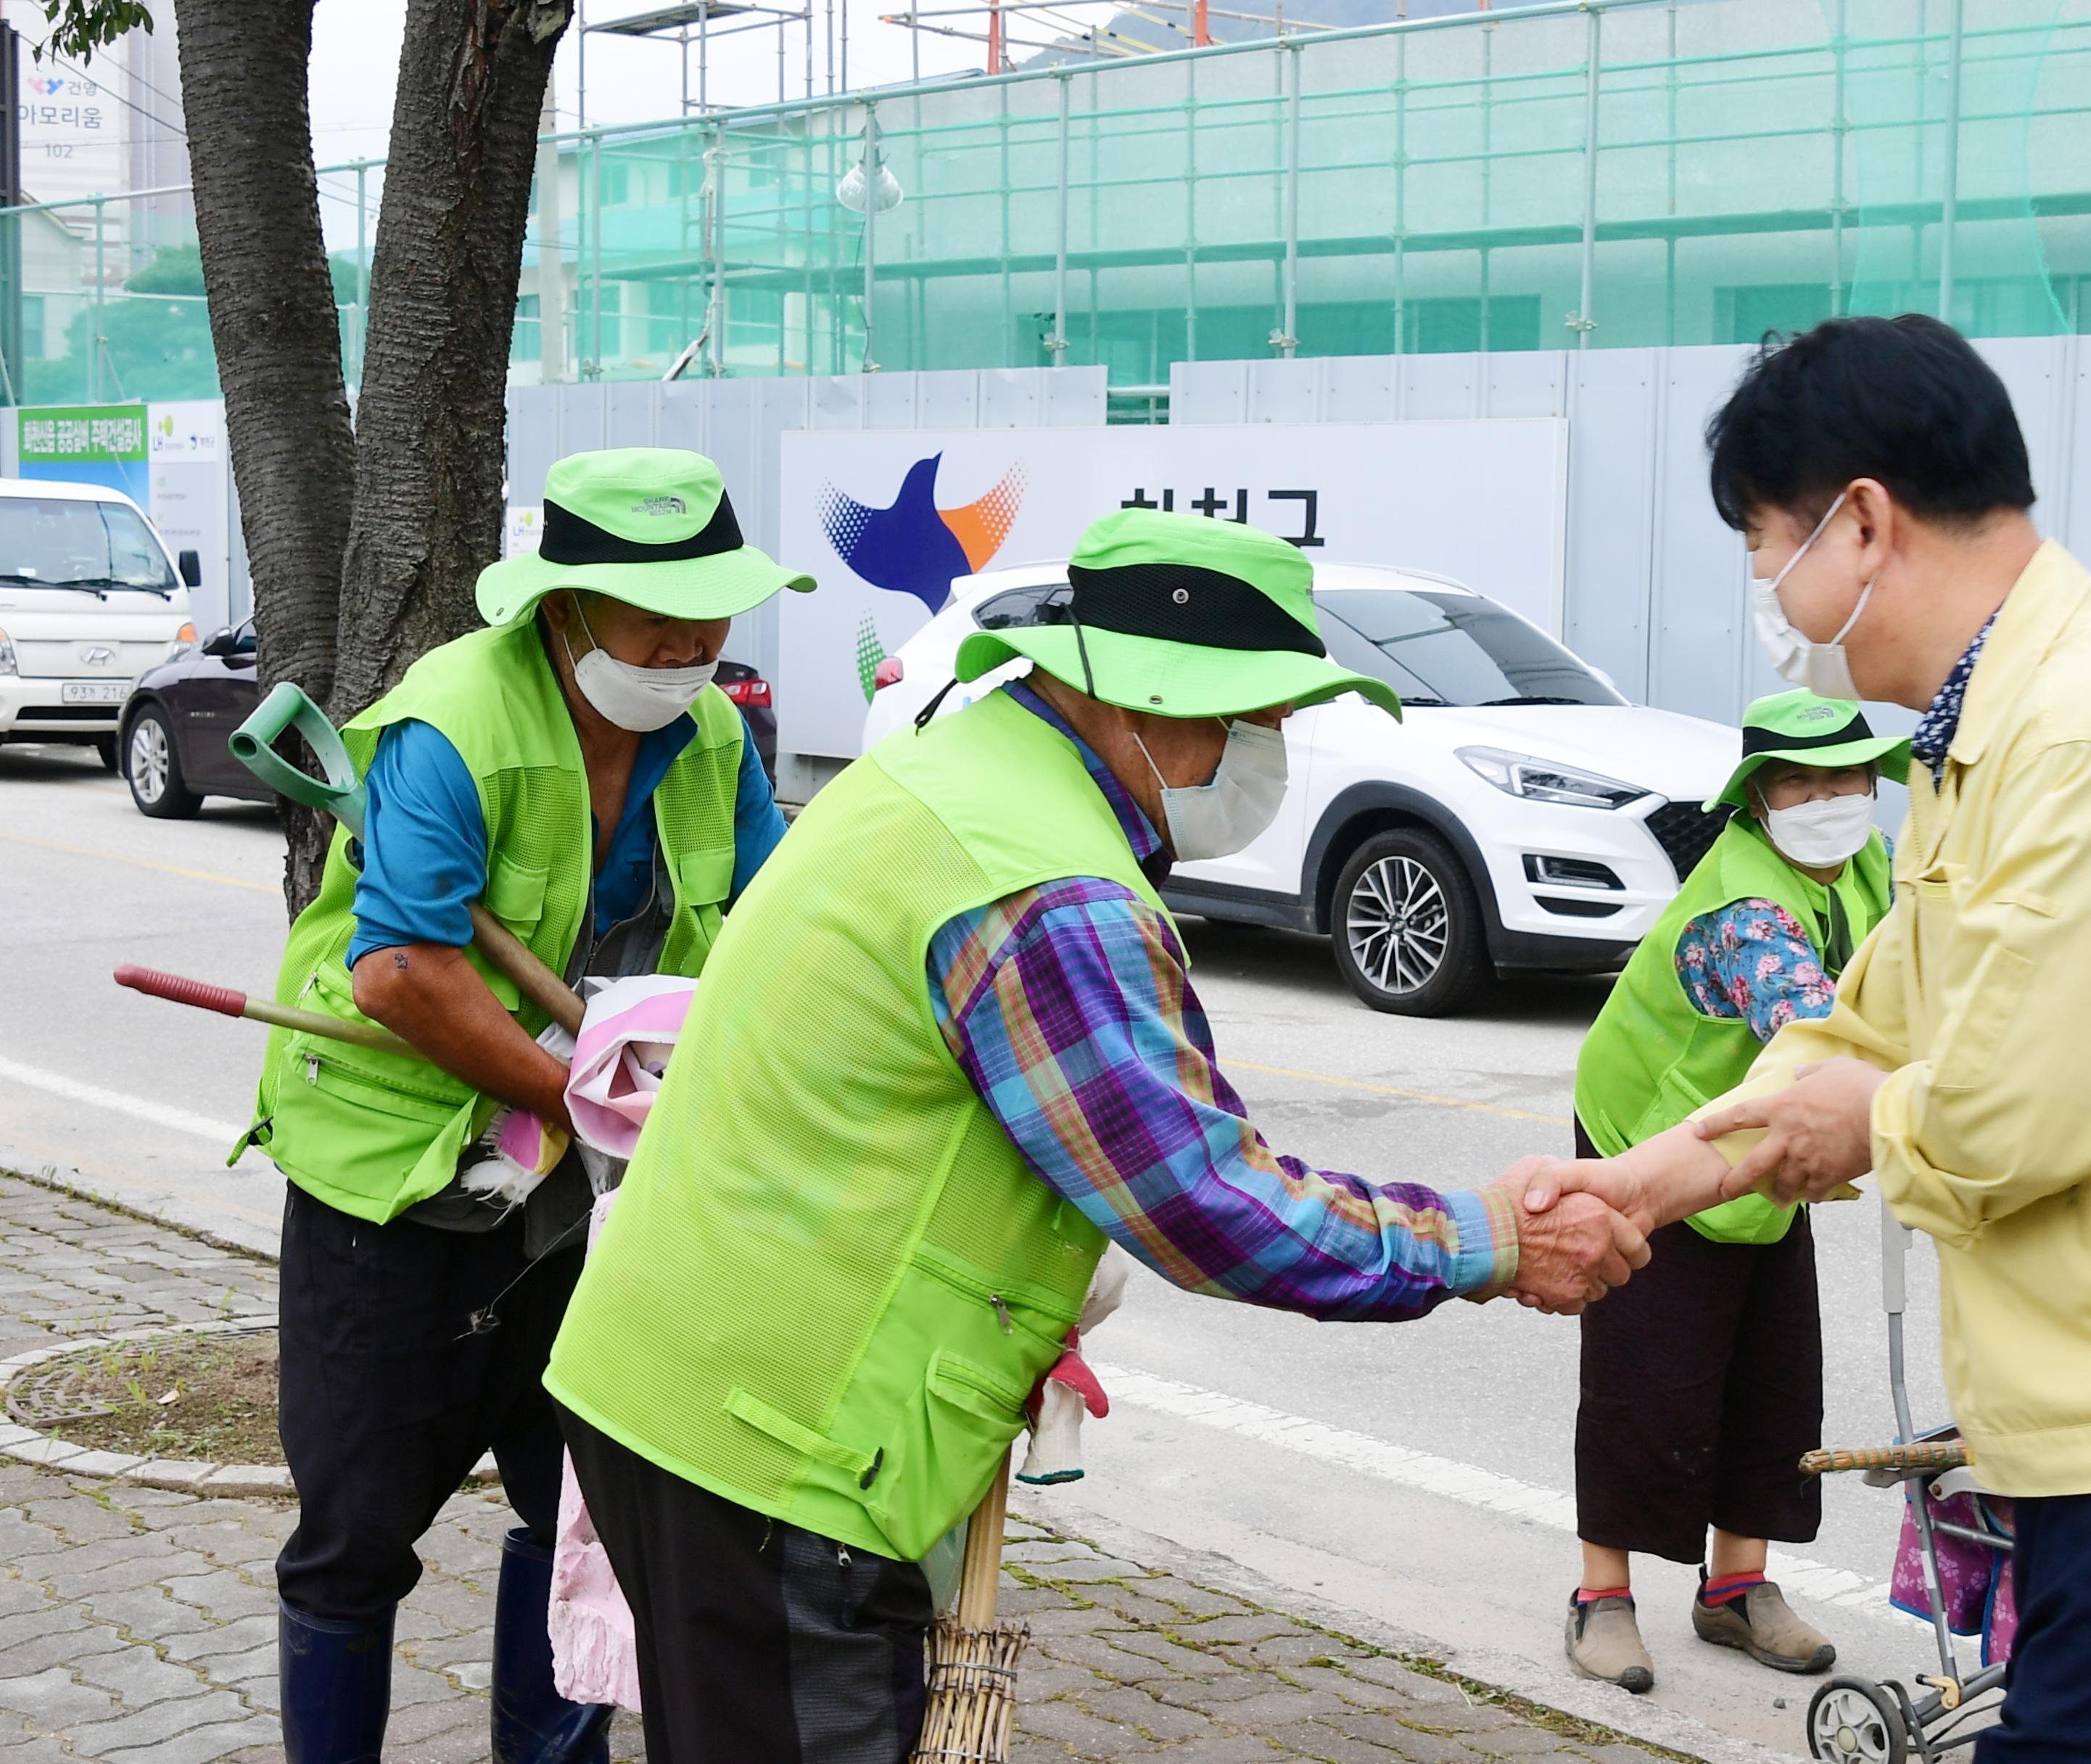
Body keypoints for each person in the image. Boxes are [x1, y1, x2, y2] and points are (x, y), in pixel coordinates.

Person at [543, 508, 1649, 1763]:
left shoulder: (952, 774)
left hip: (682, 1391)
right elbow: (1202, 1196)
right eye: (1256, 720)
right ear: (1142, 704)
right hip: (775, 1448)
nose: (1270, 752)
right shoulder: (1045, 884)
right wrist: (1483, 1241)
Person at [1514, 315, 2091, 1764]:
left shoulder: (2088, 736)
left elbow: (2010, 1116)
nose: (1773, 590)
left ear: (1866, 521)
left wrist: (1859, 1119)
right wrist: (1649, 1183)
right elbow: (1864, 1015)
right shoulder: (1991, 737)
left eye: (1773, 547)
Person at [242, 448, 805, 1764]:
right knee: (357, 1536)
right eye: (655, 616)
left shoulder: (711, 732)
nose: (689, 644)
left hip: (593, 1200)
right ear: (564, 610)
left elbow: (779, 925)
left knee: (583, 1516)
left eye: (711, 611)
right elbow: (404, 971)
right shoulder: (454, 723)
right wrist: (580, 1091)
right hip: (403, 1180)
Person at [1562, 689, 1908, 1694]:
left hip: (1760, 1151)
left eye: (1846, 777)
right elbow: (1811, 1030)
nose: (1829, 799)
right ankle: (1601, 1598)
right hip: (1656, 1138)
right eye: (1800, 781)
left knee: (1773, 1366)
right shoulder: (1745, 911)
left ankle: (1735, 1590)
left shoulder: (1868, 863)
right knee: (1648, 1372)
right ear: (1759, 801)